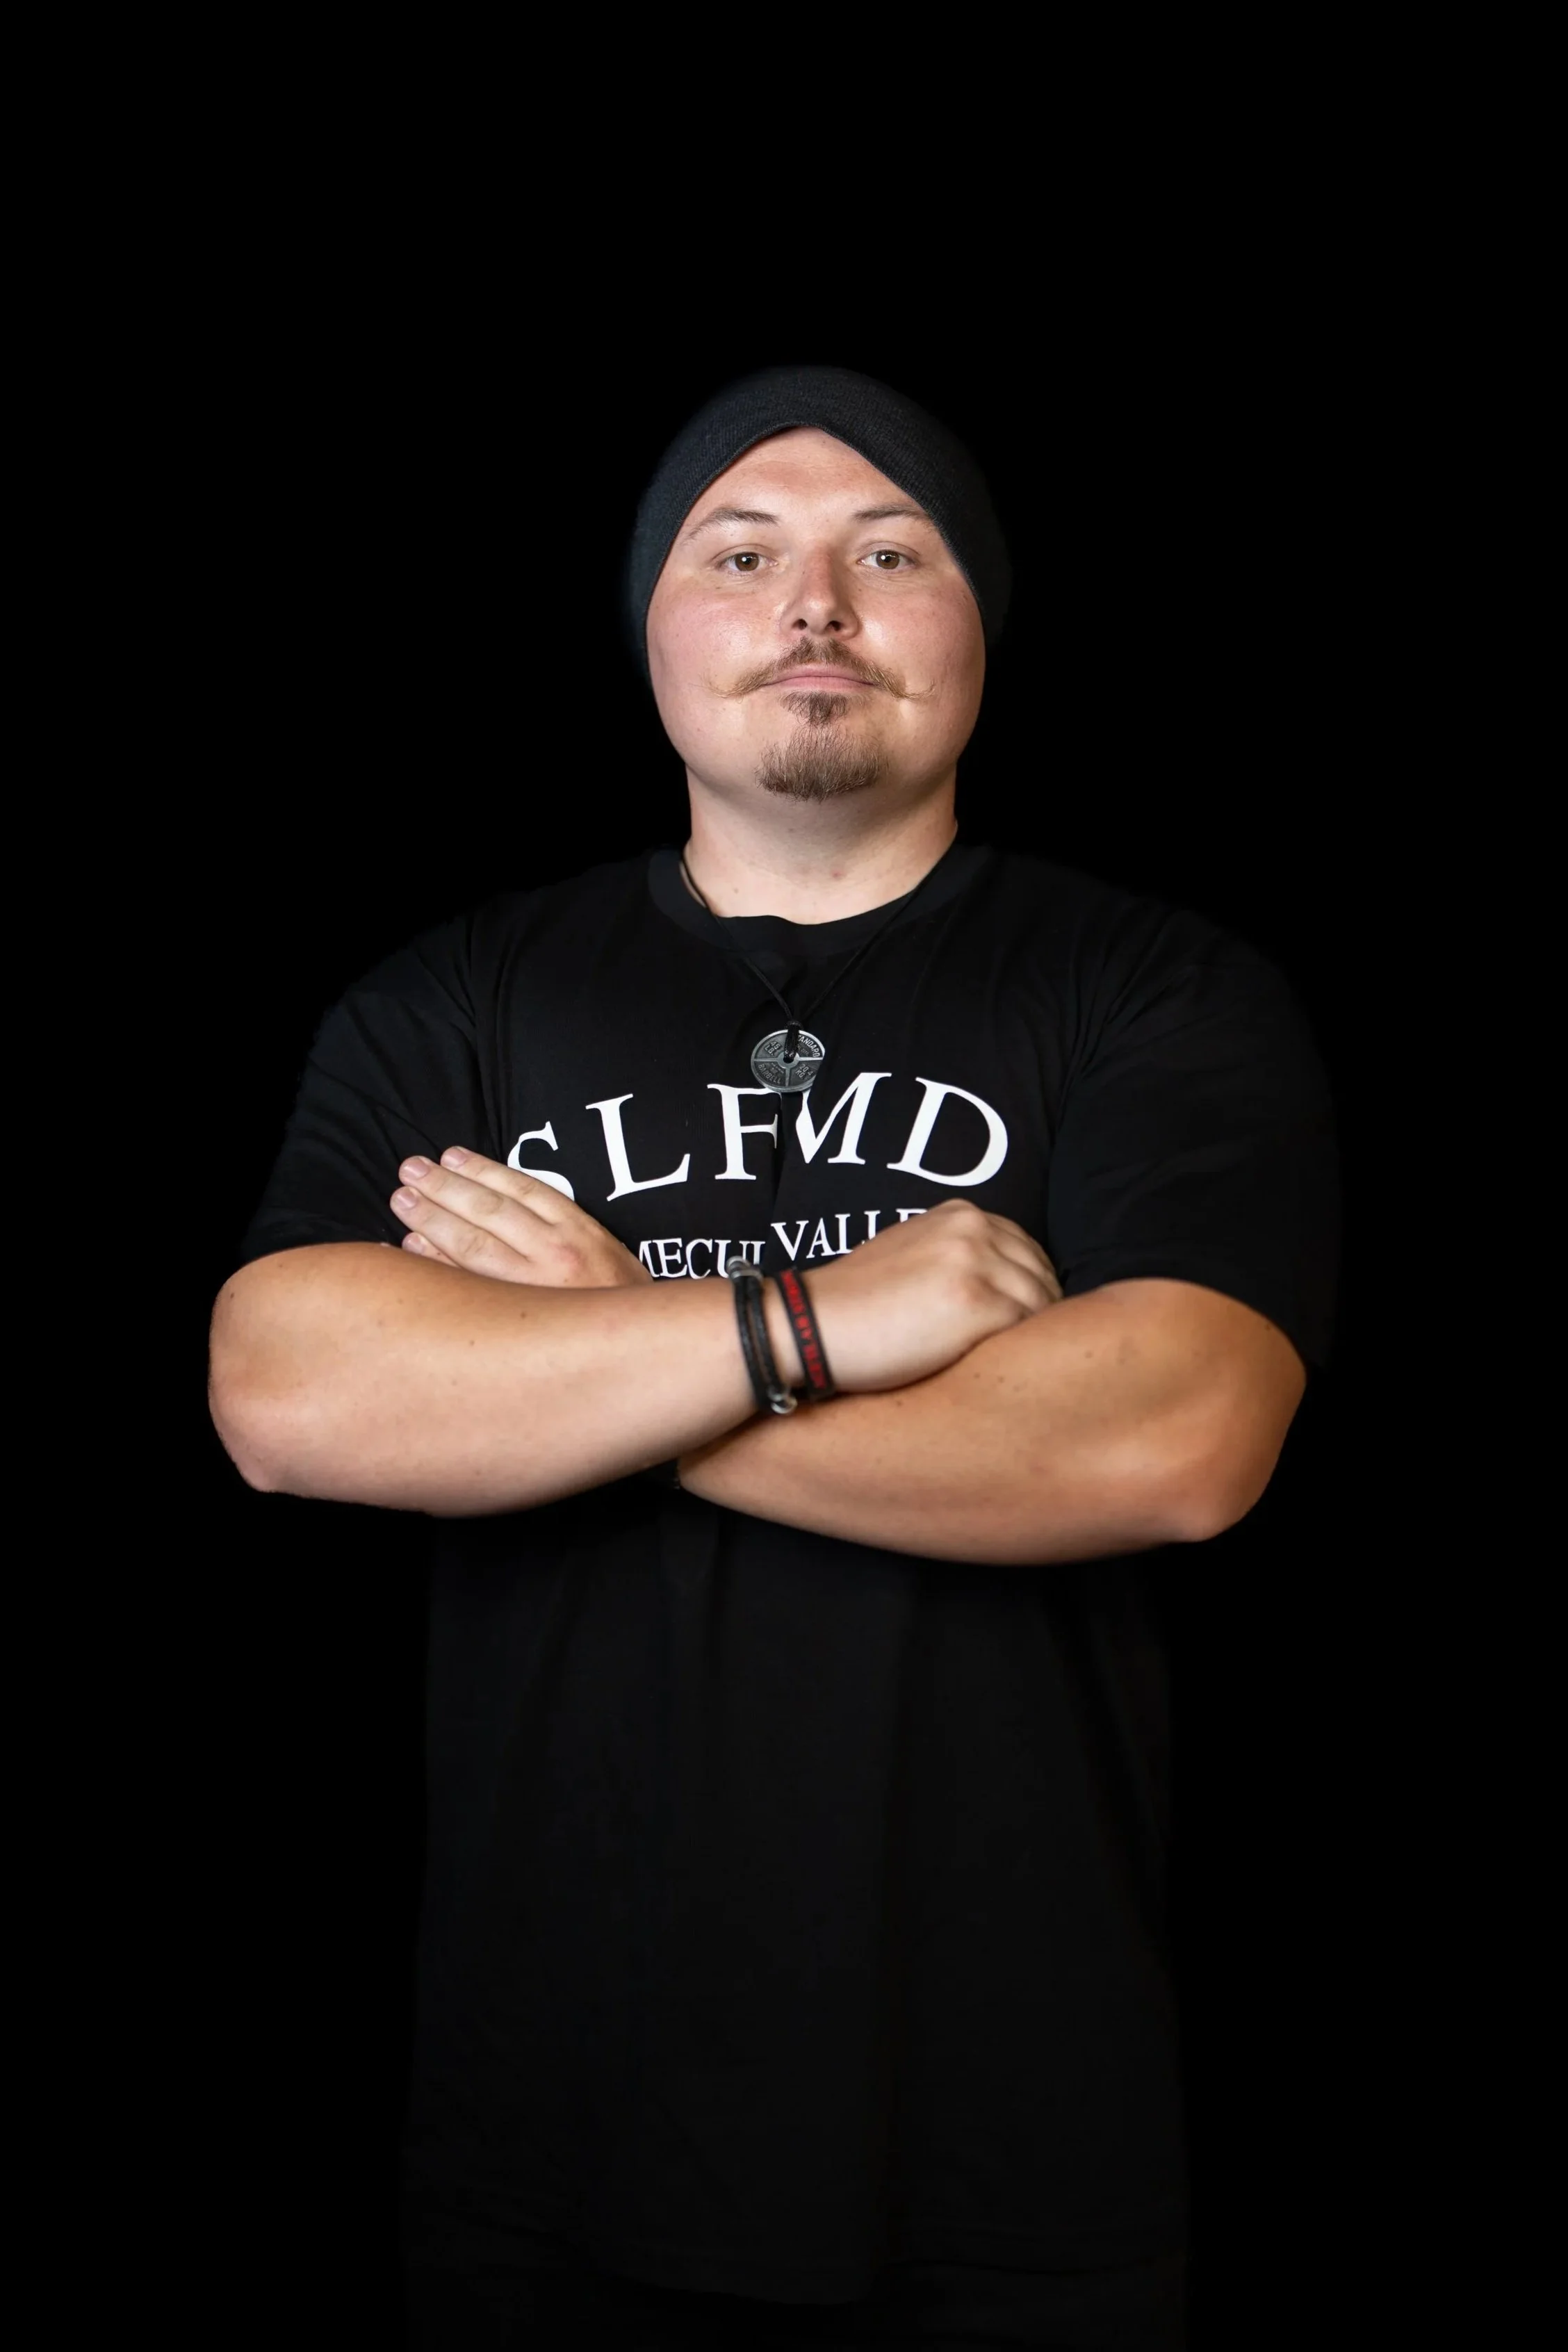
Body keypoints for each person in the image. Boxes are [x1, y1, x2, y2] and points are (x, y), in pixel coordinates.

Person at [209, 366, 1337, 2351]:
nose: (815, 603)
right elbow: (293, 1400)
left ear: (978, 620)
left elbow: (1175, 1437)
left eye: (889, 554)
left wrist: (583, 1361)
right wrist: (819, 1326)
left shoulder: (1156, 992)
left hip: (1015, 2137)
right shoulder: (465, 994)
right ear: (654, 629)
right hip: (547, 2125)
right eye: (742, 556)